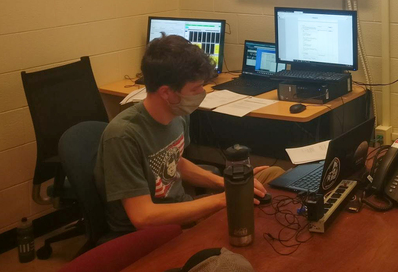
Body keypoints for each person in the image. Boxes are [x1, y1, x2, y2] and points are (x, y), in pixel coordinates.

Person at [95, 34, 283, 233]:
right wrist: (222, 199)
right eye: (196, 88)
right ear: (167, 92)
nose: (202, 92)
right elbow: (143, 217)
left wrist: (226, 183)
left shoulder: (178, 113)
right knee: (253, 227)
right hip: (155, 231)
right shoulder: (123, 136)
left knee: (274, 176)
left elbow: (174, 161)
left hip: (184, 209)